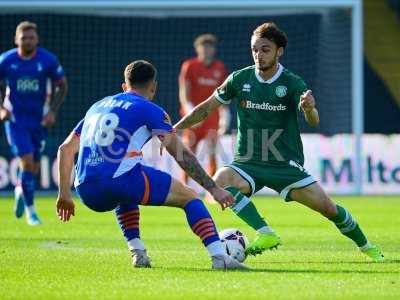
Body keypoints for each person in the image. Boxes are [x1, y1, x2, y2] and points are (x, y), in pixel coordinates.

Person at [174, 23, 384, 262]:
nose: (258, 55)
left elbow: (313, 121)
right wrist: (176, 128)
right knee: (220, 179)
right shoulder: (239, 78)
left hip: (285, 164)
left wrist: (309, 108)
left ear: (278, 51)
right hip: (248, 162)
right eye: (255, 49)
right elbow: (206, 108)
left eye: (265, 50)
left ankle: (368, 247)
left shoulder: (292, 83)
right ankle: (265, 233)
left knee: (328, 209)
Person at [56, 60, 247, 270]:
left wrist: (64, 195)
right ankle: (220, 257)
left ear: (124, 86)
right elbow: (183, 155)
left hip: (85, 190)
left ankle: (138, 253)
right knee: (190, 198)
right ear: (154, 87)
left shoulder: (96, 107)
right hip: (120, 180)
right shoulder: (148, 108)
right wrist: (213, 188)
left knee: (126, 195)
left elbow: (65, 150)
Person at [0, 21, 67, 225]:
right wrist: (2, 108)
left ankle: (21, 188)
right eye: (24, 37)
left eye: (31, 37)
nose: (27, 41)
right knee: (27, 161)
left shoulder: (47, 60)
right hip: (15, 119)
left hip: (39, 120)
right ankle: (31, 212)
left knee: (34, 167)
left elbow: (62, 86)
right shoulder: (6, 60)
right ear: (16, 39)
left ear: (36, 39)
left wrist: (52, 112)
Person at [178, 33, 230, 184]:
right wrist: (190, 113)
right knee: (189, 153)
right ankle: (185, 186)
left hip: (212, 118)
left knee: (212, 152)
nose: (207, 50)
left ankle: (212, 189)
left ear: (214, 50)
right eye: (204, 47)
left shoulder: (220, 68)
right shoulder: (189, 66)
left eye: (210, 47)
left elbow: (223, 93)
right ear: (197, 49)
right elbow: (184, 94)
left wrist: (225, 115)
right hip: (193, 118)